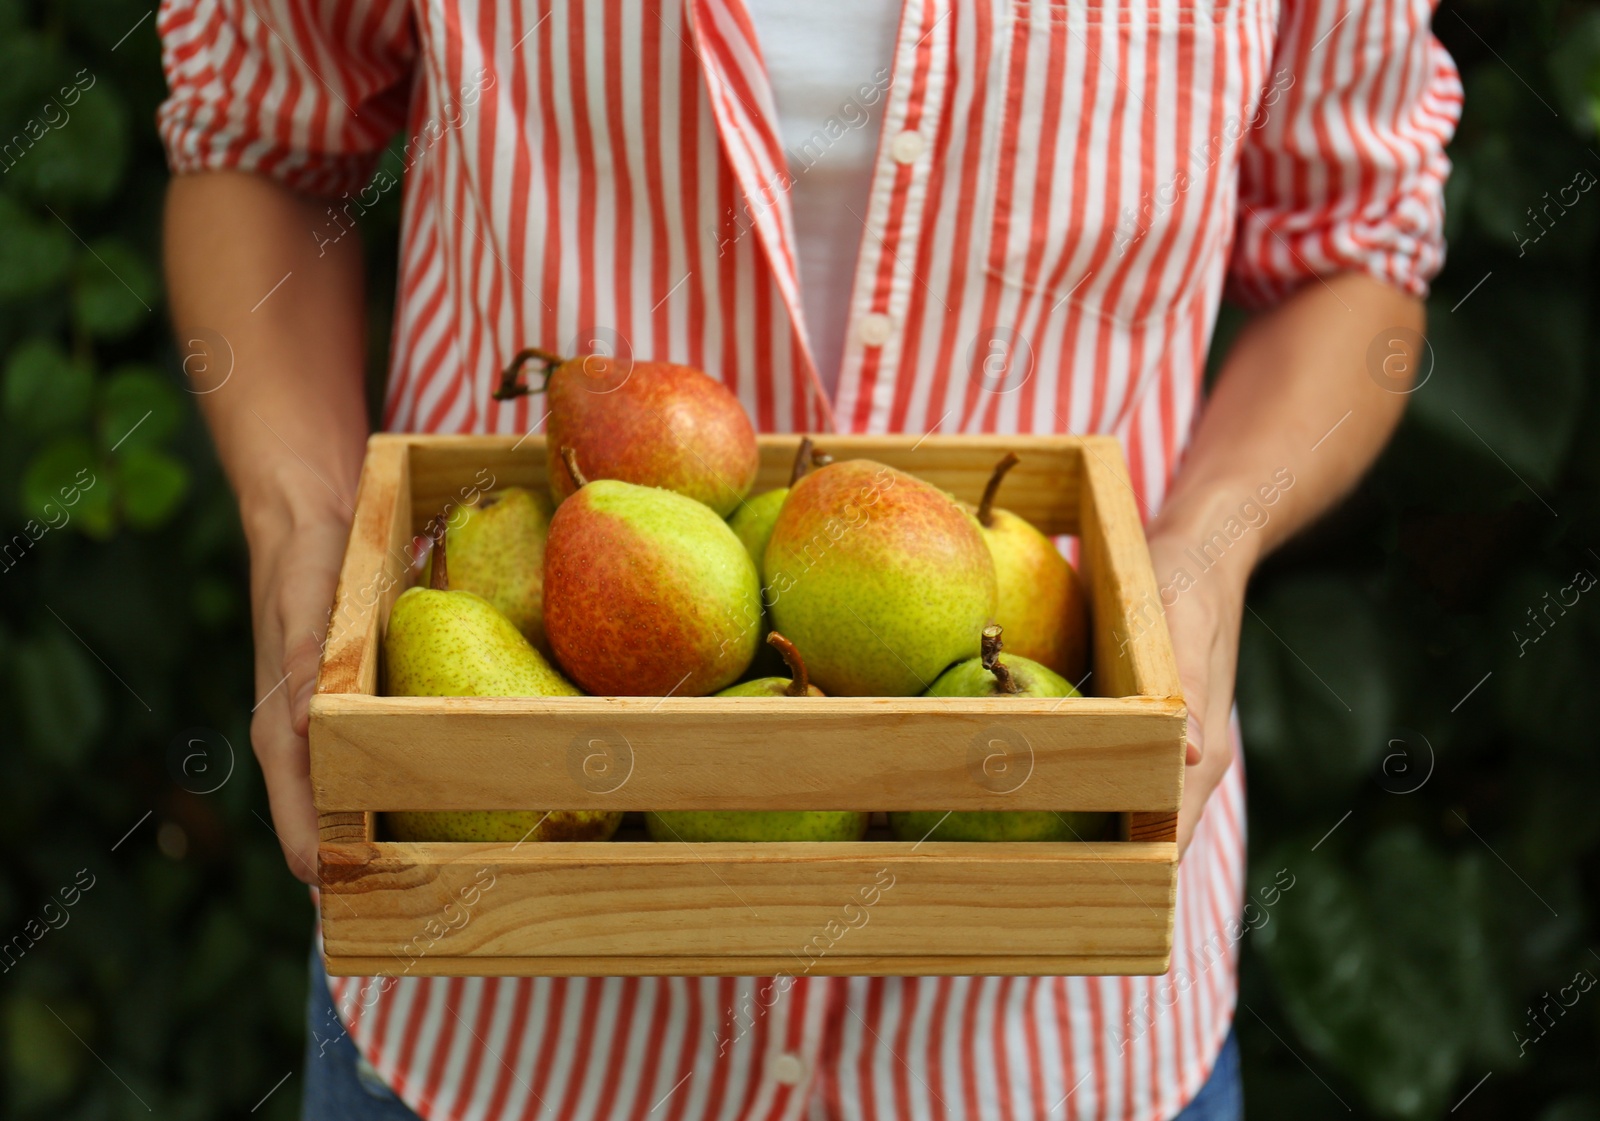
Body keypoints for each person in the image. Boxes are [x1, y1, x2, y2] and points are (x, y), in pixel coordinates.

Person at [157, 0, 1459, 1117]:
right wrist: (299, 524)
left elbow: (1357, 243)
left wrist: (1209, 542)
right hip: (502, 1022)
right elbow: (263, 143)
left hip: (1050, 1045)